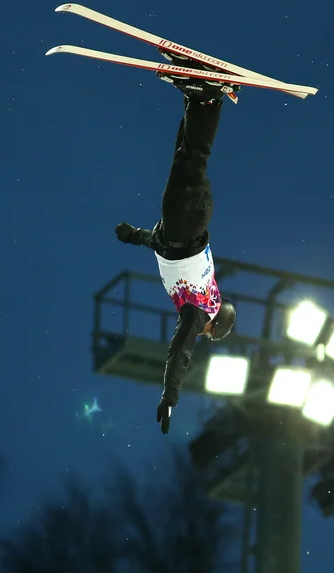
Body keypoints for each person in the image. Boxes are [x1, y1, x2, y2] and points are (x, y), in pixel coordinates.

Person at [115, 52, 239, 434]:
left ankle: (196, 95)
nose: (200, 333)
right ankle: (211, 97)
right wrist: (169, 398)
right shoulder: (199, 310)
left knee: (185, 158)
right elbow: (180, 353)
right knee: (192, 159)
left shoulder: (193, 296)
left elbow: (162, 248)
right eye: (206, 333)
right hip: (188, 224)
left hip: (186, 225)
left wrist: (133, 236)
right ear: (211, 326)